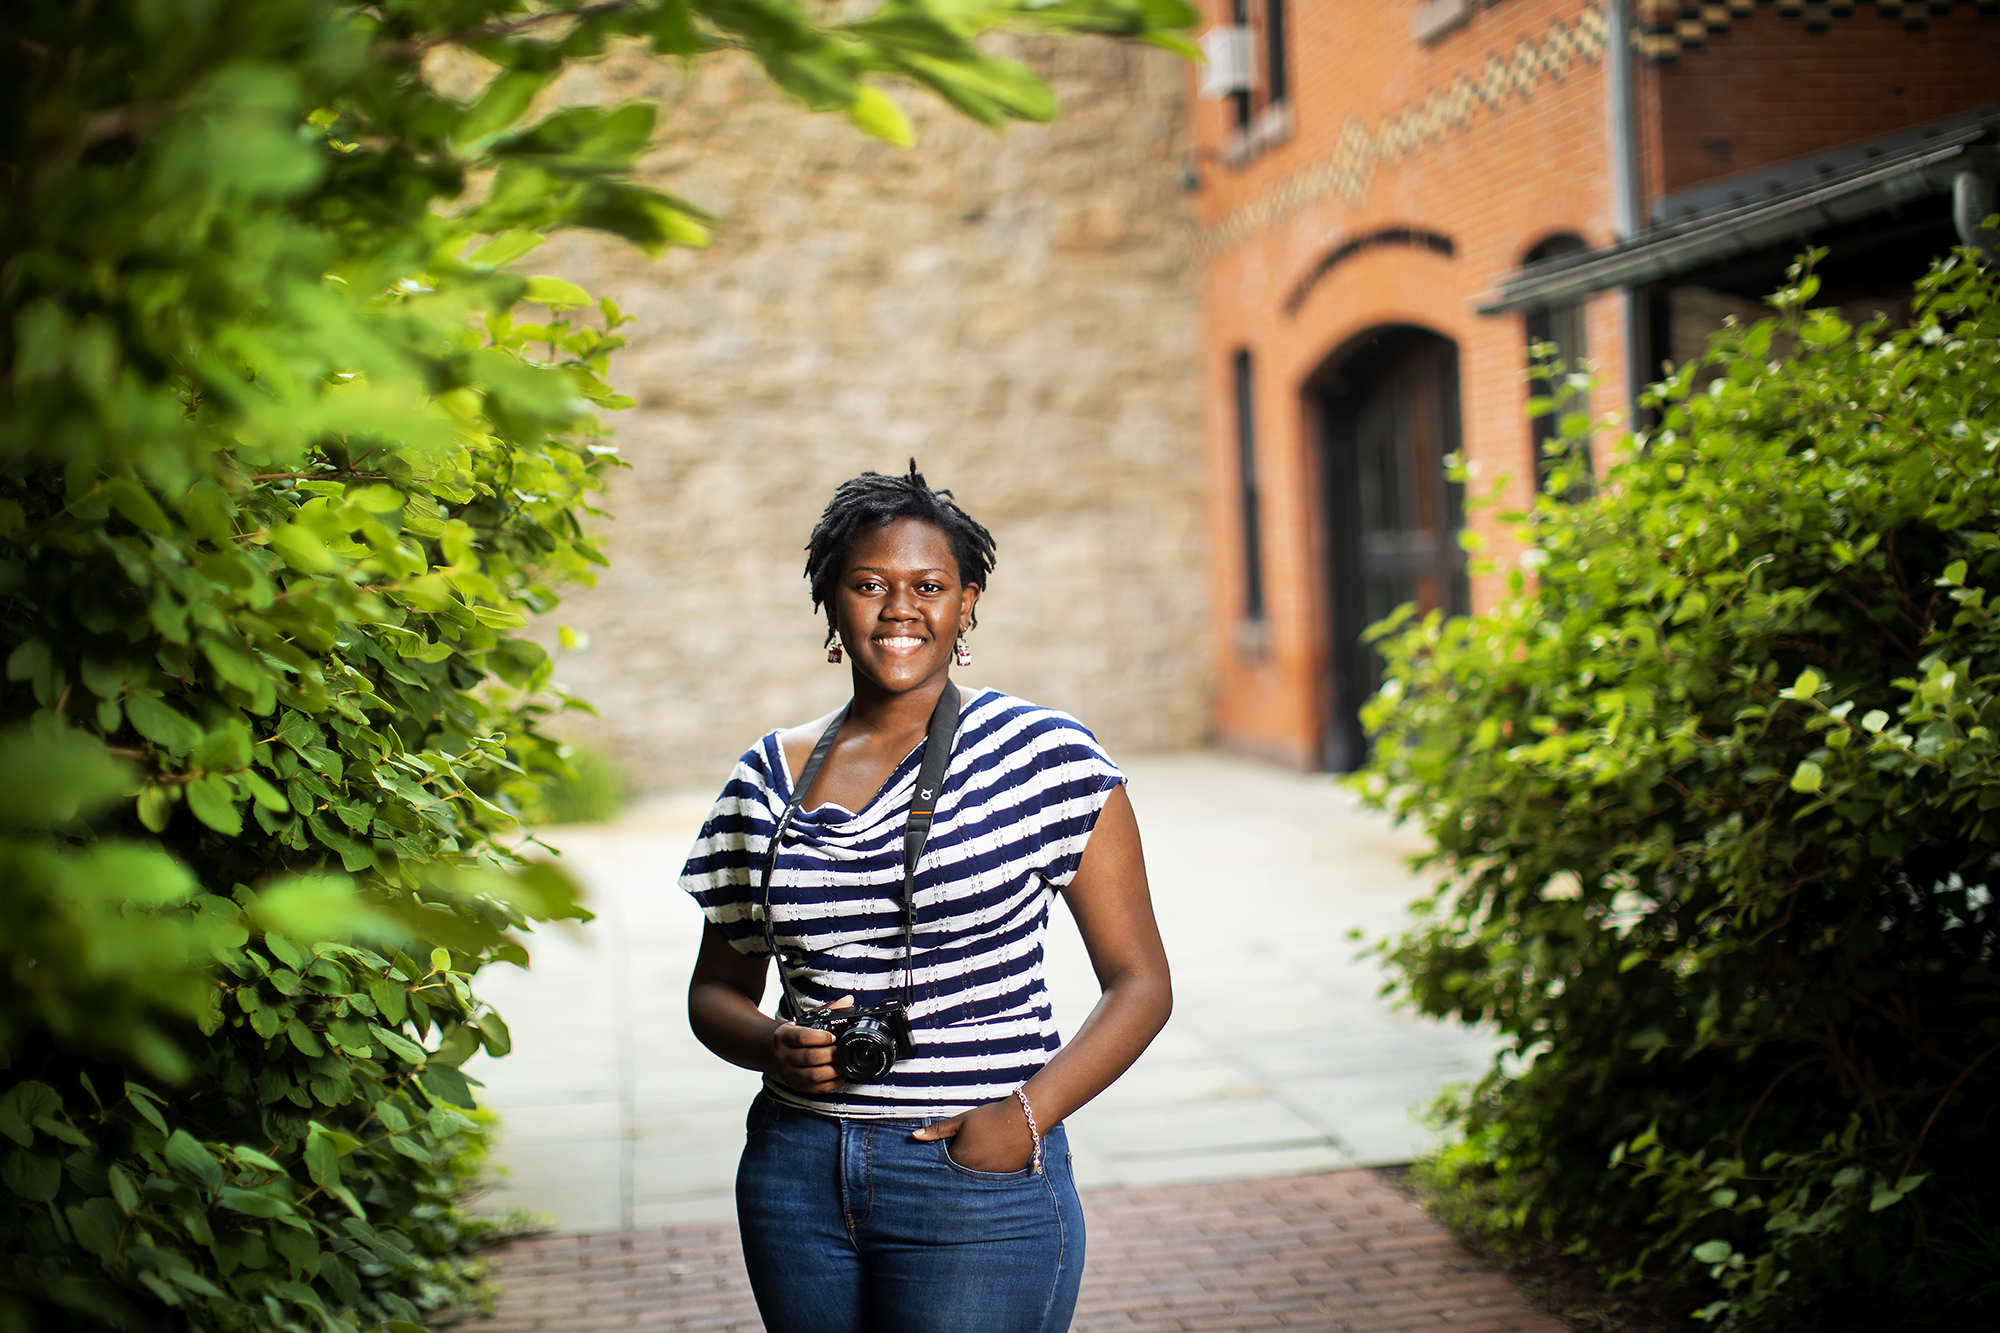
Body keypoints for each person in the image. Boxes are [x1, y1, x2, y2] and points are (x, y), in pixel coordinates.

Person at [680, 462, 1172, 1333]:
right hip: (797, 1173)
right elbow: (713, 994)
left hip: (973, 1176)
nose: (899, 607)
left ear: (967, 602)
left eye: (929, 585)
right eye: (868, 583)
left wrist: (1026, 1116)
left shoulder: (1044, 754)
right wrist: (774, 1046)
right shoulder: (764, 775)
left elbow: (1140, 982)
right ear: (832, 601)